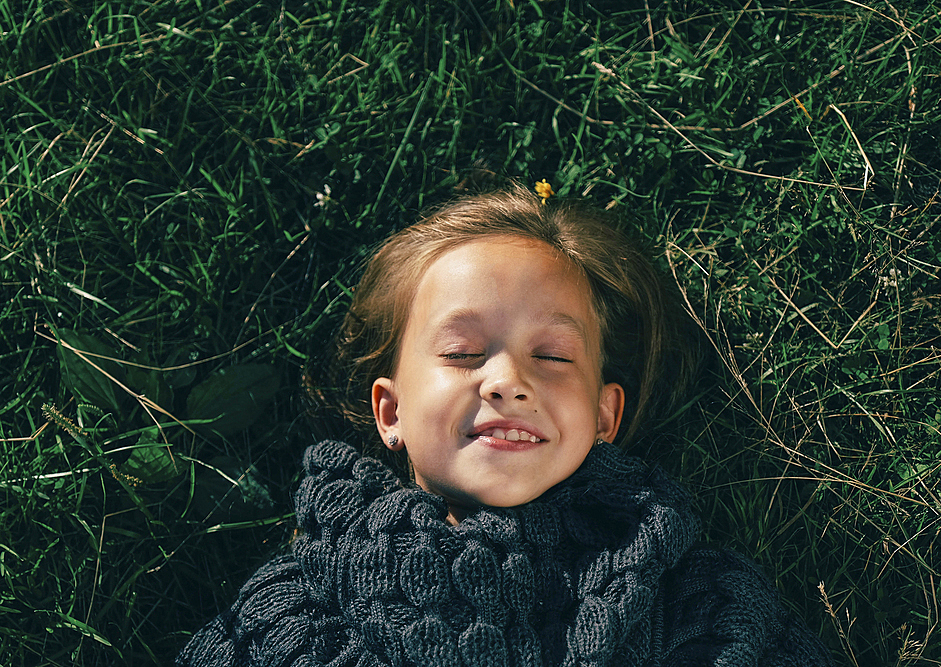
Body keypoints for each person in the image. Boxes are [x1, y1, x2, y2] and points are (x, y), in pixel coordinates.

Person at [177, 181, 834, 666]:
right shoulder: (296, 609)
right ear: (392, 410)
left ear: (605, 413)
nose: (508, 380)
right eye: (462, 353)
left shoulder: (697, 601)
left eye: (551, 356)